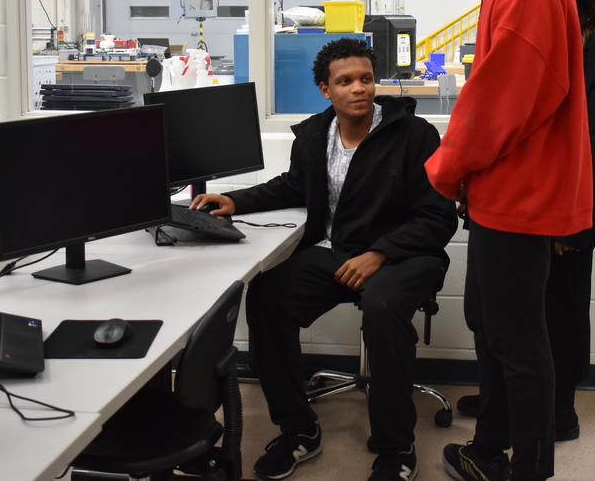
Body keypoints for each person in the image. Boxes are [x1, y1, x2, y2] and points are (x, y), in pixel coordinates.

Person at [192, 37, 458, 481]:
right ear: (325, 89)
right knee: (266, 296)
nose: (360, 89)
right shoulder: (315, 134)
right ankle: (298, 430)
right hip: (338, 254)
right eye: (346, 81)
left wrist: (381, 253)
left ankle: (396, 448)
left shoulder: (414, 135)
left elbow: (438, 216)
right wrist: (234, 200)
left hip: (405, 256)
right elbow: (293, 186)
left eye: (367, 79)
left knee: (382, 307)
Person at [425, 0, 592, 481]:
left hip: (520, 197)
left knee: (519, 343)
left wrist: (443, 169)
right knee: (498, 332)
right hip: (508, 194)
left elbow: (497, 103)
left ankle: (528, 470)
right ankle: (488, 450)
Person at [455, 0, 595, 444]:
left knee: (558, 318)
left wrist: (571, 225)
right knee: (487, 314)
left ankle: (558, 413)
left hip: (564, 216)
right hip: (507, 210)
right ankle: (501, 400)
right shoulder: (528, 49)